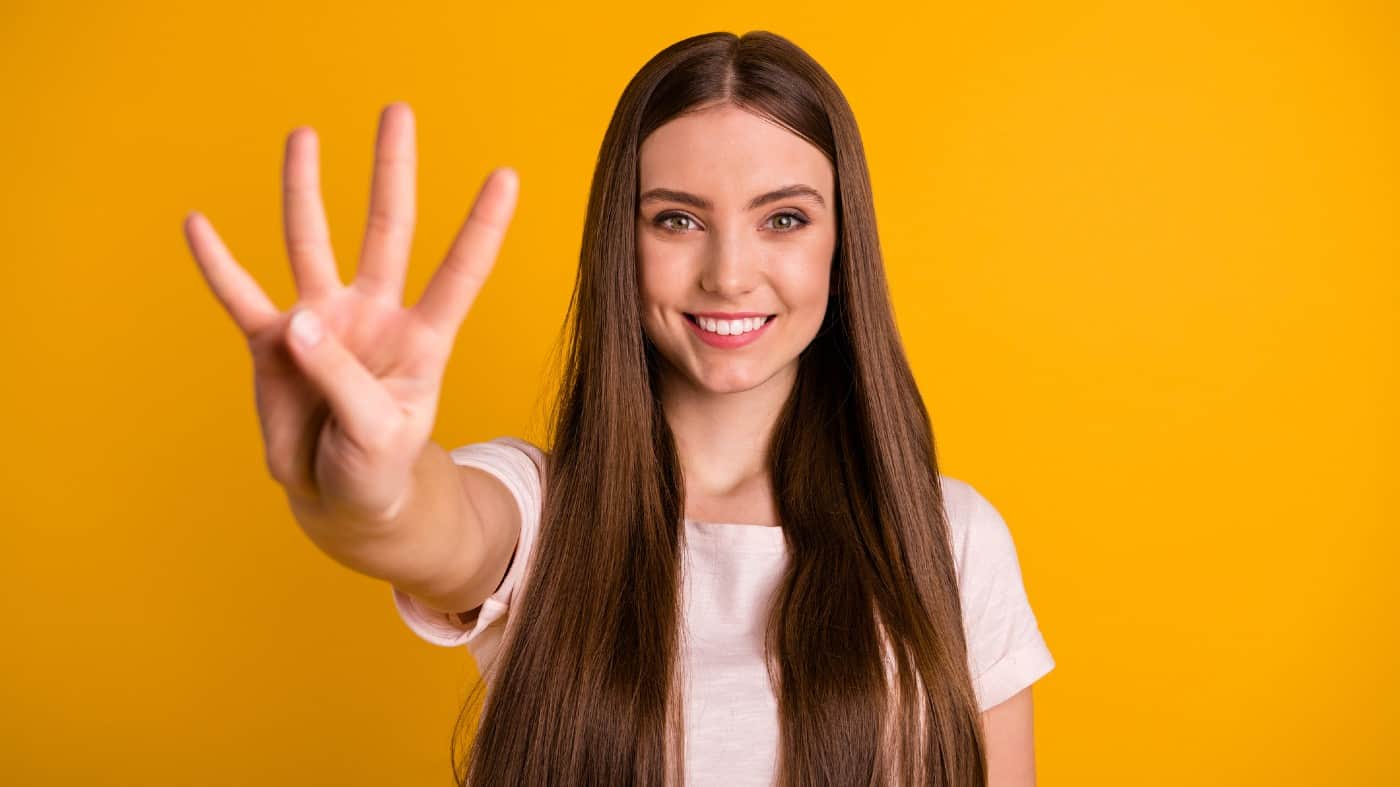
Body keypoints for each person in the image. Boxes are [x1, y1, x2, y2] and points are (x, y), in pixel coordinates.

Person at [183, 29, 1054, 787]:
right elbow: (430, 526)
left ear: (842, 241)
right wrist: (371, 484)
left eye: (783, 219)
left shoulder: (950, 537)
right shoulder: (543, 512)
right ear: (619, 240)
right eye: (676, 220)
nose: (729, 274)